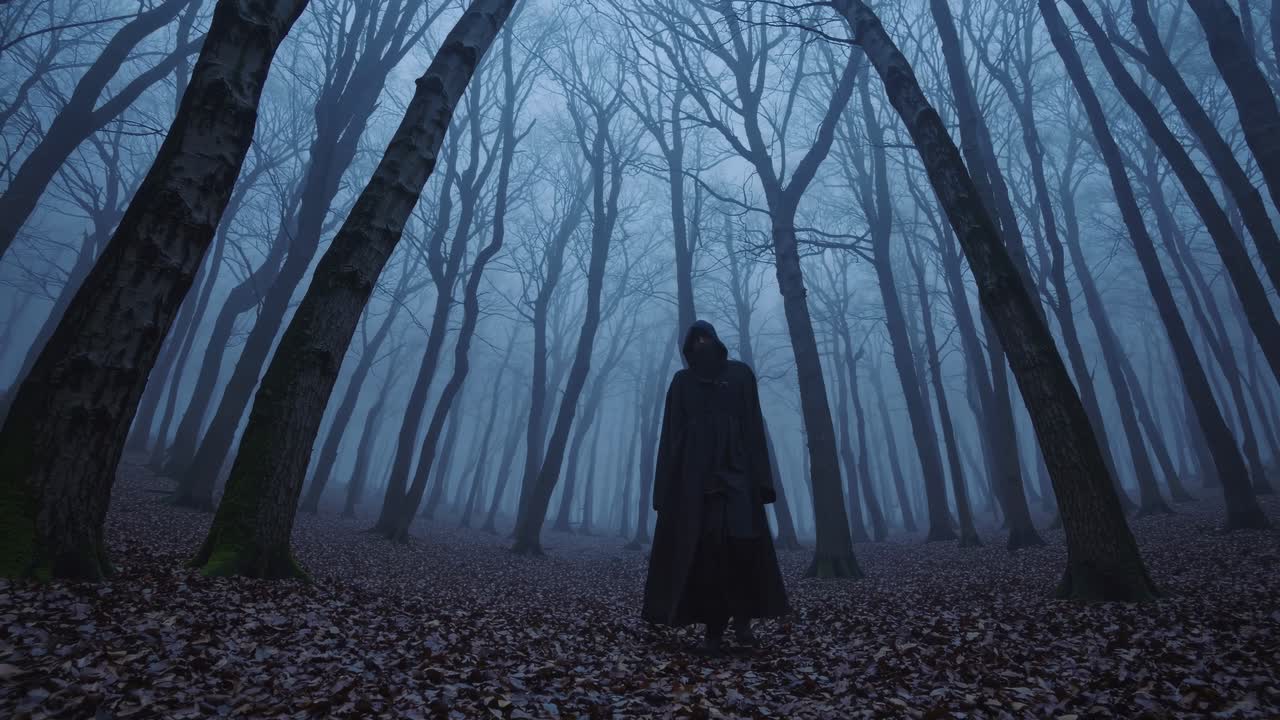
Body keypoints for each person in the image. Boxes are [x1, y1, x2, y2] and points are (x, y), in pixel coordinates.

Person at [641, 320, 790, 655]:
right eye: (696, 341)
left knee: (744, 553)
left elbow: (754, 428)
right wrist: (664, 490)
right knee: (707, 559)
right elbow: (670, 438)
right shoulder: (682, 383)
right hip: (697, 487)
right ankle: (713, 631)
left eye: (707, 338)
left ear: (717, 342)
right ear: (688, 348)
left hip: (739, 483)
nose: (702, 345)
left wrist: (763, 483)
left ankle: (742, 624)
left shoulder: (740, 375)